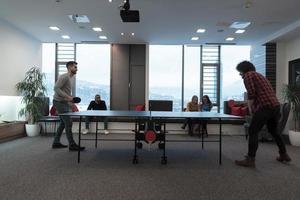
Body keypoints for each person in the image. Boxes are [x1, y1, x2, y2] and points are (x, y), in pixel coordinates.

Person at [235, 61, 291, 167]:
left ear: (244, 69)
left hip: (265, 107)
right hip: (275, 106)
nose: (240, 74)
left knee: (253, 131)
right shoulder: (260, 76)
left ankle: (250, 159)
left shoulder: (248, 75)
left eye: (240, 71)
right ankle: (283, 154)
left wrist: (250, 108)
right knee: (274, 131)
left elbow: (251, 94)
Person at [52, 61, 85, 151]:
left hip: (64, 102)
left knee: (63, 123)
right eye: (75, 67)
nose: (77, 69)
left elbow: (65, 92)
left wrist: (71, 101)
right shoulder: (64, 77)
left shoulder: (71, 78)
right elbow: (56, 88)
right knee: (68, 122)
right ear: (70, 67)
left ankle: (56, 142)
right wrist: (68, 97)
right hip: (59, 102)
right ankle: (72, 144)